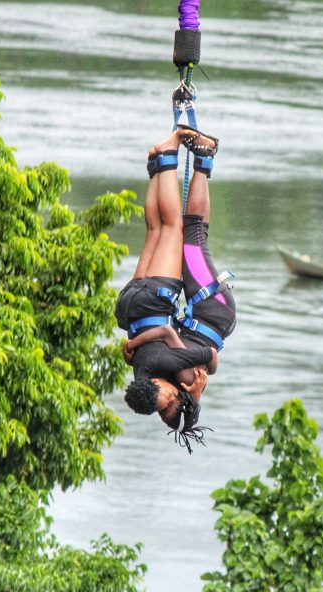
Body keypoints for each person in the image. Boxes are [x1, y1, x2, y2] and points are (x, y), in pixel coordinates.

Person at [114, 126, 236, 449]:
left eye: (162, 406)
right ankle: (162, 162)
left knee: (179, 230)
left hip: (201, 306)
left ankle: (176, 157)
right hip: (196, 305)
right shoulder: (158, 374)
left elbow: (208, 357)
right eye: (170, 406)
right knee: (165, 230)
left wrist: (196, 389)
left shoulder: (178, 374)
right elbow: (206, 358)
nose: (166, 404)